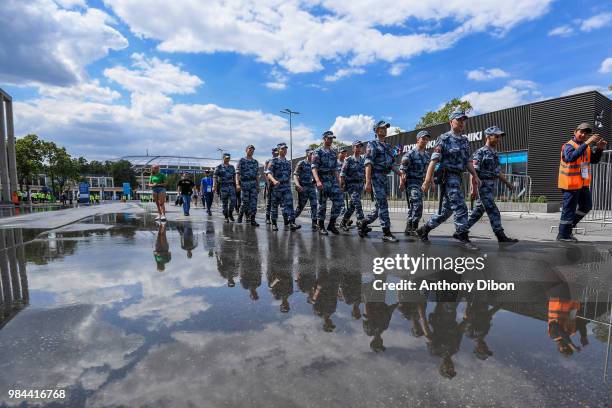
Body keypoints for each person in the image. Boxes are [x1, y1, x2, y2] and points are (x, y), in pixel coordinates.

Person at [417, 108, 482, 250]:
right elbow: (434, 160)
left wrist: (475, 176)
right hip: (448, 177)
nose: (461, 123)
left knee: (445, 212)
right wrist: (428, 180)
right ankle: (462, 235)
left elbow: (468, 161)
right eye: (458, 120)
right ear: (451, 122)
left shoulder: (465, 141)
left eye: (463, 120)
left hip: (458, 177)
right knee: (461, 206)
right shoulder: (444, 138)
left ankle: (424, 229)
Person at [466, 126, 518, 242]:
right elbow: (473, 171)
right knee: (493, 211)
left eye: (500, 137)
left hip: (490, 186)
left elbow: (497, 172)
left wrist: (508, 184)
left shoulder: (494, 153)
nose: (499, 139)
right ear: (488, 137)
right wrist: (473, 188)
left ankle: (461, 230)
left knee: (478, 211)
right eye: (497, 136)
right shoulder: (480, 152)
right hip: (482, 185)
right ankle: (500, 235)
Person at [556, 122, 607, 242]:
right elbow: (570, 158)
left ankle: (567, 229)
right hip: (570, 183)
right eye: (581, 132)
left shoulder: (586, 147)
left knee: (586, 206)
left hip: (582, 184)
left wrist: (599, 149)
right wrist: (587, 143)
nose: (584, 134)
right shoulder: (568, 145)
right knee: (569, 209)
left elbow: (593, 160)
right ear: (575, 132)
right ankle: (563, 235)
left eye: (586, 133)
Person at [358, 120, 398, 242]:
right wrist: (368, 181)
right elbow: (368, 163)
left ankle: (363, 223)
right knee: (383, 205)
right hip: (375, 177)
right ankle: (386, 232)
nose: (385, 129)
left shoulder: (388, 146)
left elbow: (392, 164)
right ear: (376, 130)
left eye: (386, 128)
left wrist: (401, 173)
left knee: (378, 207)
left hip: (384, 178)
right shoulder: (372, 144)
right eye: (382, 128)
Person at [399, 130, 431, 236]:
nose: (425, 141)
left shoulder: (427, 155)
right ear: (418, 140)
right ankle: (414, 227)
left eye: (427, 139)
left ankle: (409, 228)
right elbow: (403, 170)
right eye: (423, 139)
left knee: (414, 206)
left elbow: (428, 170)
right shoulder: (410, 154)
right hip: (411, 182)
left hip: (420, 183)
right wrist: (401, 183)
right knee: (418, 204)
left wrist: (432, 183)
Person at [312, 131, 343, 235]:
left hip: (332, 180)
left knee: (339, 201)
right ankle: (321, 226)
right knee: (322, 205)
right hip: (322, 180)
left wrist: (339, 182)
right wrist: (317, 181)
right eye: (329, 138)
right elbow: (314, 167)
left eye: (332, 138)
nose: (331, 140)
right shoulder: (318, 151)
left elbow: (335, 169)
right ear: (324, 138)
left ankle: (331, 224)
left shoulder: (334, 152)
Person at [266, 143, 301, 231]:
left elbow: (289, 174)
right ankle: (274, 223)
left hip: (286, 186)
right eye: (282, 149)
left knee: (289, 204)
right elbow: (268, 173)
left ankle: (292, 222)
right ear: (278, 150)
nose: (285, 150)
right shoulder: (273, 161)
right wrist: (274, 181)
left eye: (285, 149)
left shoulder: (288, 163)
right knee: (274, 206)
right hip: (276, 186)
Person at [338, 141, 365, 232]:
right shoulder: (348, 159)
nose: (358, 148)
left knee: (352, 207)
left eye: (360, 147)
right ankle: (362, 225)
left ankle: (343, 222)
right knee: (358, 204)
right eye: (356, 147)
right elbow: (342, 173)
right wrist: (342, 185)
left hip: (360, 185)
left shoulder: (363, 160)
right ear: (353, 148)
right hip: (351, 185)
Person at [293, 149, 318, 230]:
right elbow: (295, 174)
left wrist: (316, 181)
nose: (312, 155)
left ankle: (314, 223)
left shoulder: (314, 164)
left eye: (313, 154)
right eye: (311, 154)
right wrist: (297, 185)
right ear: (307, 154)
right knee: (300, 207)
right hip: (303, 188)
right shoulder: (301, 163)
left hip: (311, 187)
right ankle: (291, 220)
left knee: (314, 204)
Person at [236, 144, 260, 226]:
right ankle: (240, 216)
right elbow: (238, 173)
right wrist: (237, 184)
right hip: (245, 184)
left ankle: (253, 219)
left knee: (254, 202)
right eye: (250, 150)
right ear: (246, 150)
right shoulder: (241, 160)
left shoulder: (255, 162)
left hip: (253, 184)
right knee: (245, 202)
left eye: (253, 150)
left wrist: (258, 185)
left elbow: (257, 174)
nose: (251, 151)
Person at [213, 153, 237, 223]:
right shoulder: (219, 167)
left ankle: (230, 213)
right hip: (223, 186)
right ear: (223, 158)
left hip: (231, 186)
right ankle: (226, 216)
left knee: (233, 200)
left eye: (229, 158)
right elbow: (215, 176)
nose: (227, 159)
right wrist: (214, 186)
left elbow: (234, 176)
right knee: (225, 202)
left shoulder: (232, 167)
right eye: (226, 158)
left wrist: (237, 185)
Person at [264, 147, 279, 224]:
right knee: (269, 201)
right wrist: (268, 183)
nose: (276, 153)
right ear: (272, 152)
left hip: (278, 183)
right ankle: (267, 217)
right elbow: (266, 173)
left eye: (277, 152)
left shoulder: (280, 160)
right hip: (270, 183)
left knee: (277, 201)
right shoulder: (268, 161)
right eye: (274, 152)